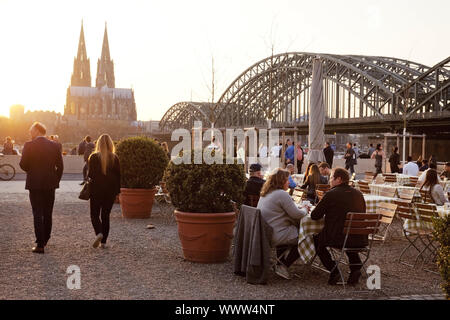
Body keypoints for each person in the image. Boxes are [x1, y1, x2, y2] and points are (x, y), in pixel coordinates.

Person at [311, 168, 367, 285]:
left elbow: (315, 216)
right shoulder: (359, 194)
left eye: (331, 178)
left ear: (339, 179)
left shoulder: (331, 194)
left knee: (317, 240)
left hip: (338, 237)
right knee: (348, 237)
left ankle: (333, 270)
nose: (329, 181)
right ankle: (355, 269)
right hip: (359, 237)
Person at [19, 122, 63, 254]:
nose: (29, 131)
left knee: (37, 212)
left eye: (31, 129)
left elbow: (23, 164)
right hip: (50, 183)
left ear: (37, 130)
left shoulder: (29, 145)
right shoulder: (55, 145)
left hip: (34, 183)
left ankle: (40, 244)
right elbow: (60, 166)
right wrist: (55, 180)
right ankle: (45, 239)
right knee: (48, 212)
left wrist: (32, 172)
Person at [257, 168, 308, 279]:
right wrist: (305, 209)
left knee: (292, 229)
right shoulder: (281, 194)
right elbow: (297, 215)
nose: (289, 182)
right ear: (280, 181)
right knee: (307, 238)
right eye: (287, 180)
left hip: (265, 232)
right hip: (275, 234)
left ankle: (280, 262)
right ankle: (283, 265)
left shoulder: (266, 193)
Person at [88, 134, 121, 249]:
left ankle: (99, 233)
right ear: (110, 144)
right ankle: (104, 242)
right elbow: (118, 177)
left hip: (96, 190)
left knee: (94, 215)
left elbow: (90, 175)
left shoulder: (93, 157)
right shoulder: (114, 158)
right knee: (106, 215)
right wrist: (117, 192)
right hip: (110, 192)